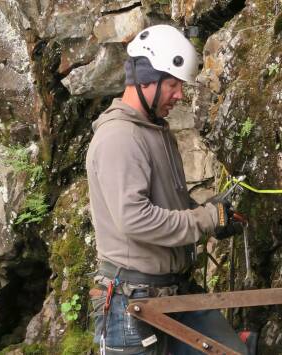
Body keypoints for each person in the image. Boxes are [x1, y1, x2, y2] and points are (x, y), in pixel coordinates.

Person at [86, 24, 247, 355]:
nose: (179, 95)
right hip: (133, 305)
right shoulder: (120, 137)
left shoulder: (156, 132)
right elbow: (135, 220)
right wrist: (203, 220)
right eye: (173, 84)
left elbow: (169, 206)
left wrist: (212, 214)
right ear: (146, 78)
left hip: (174, 292)